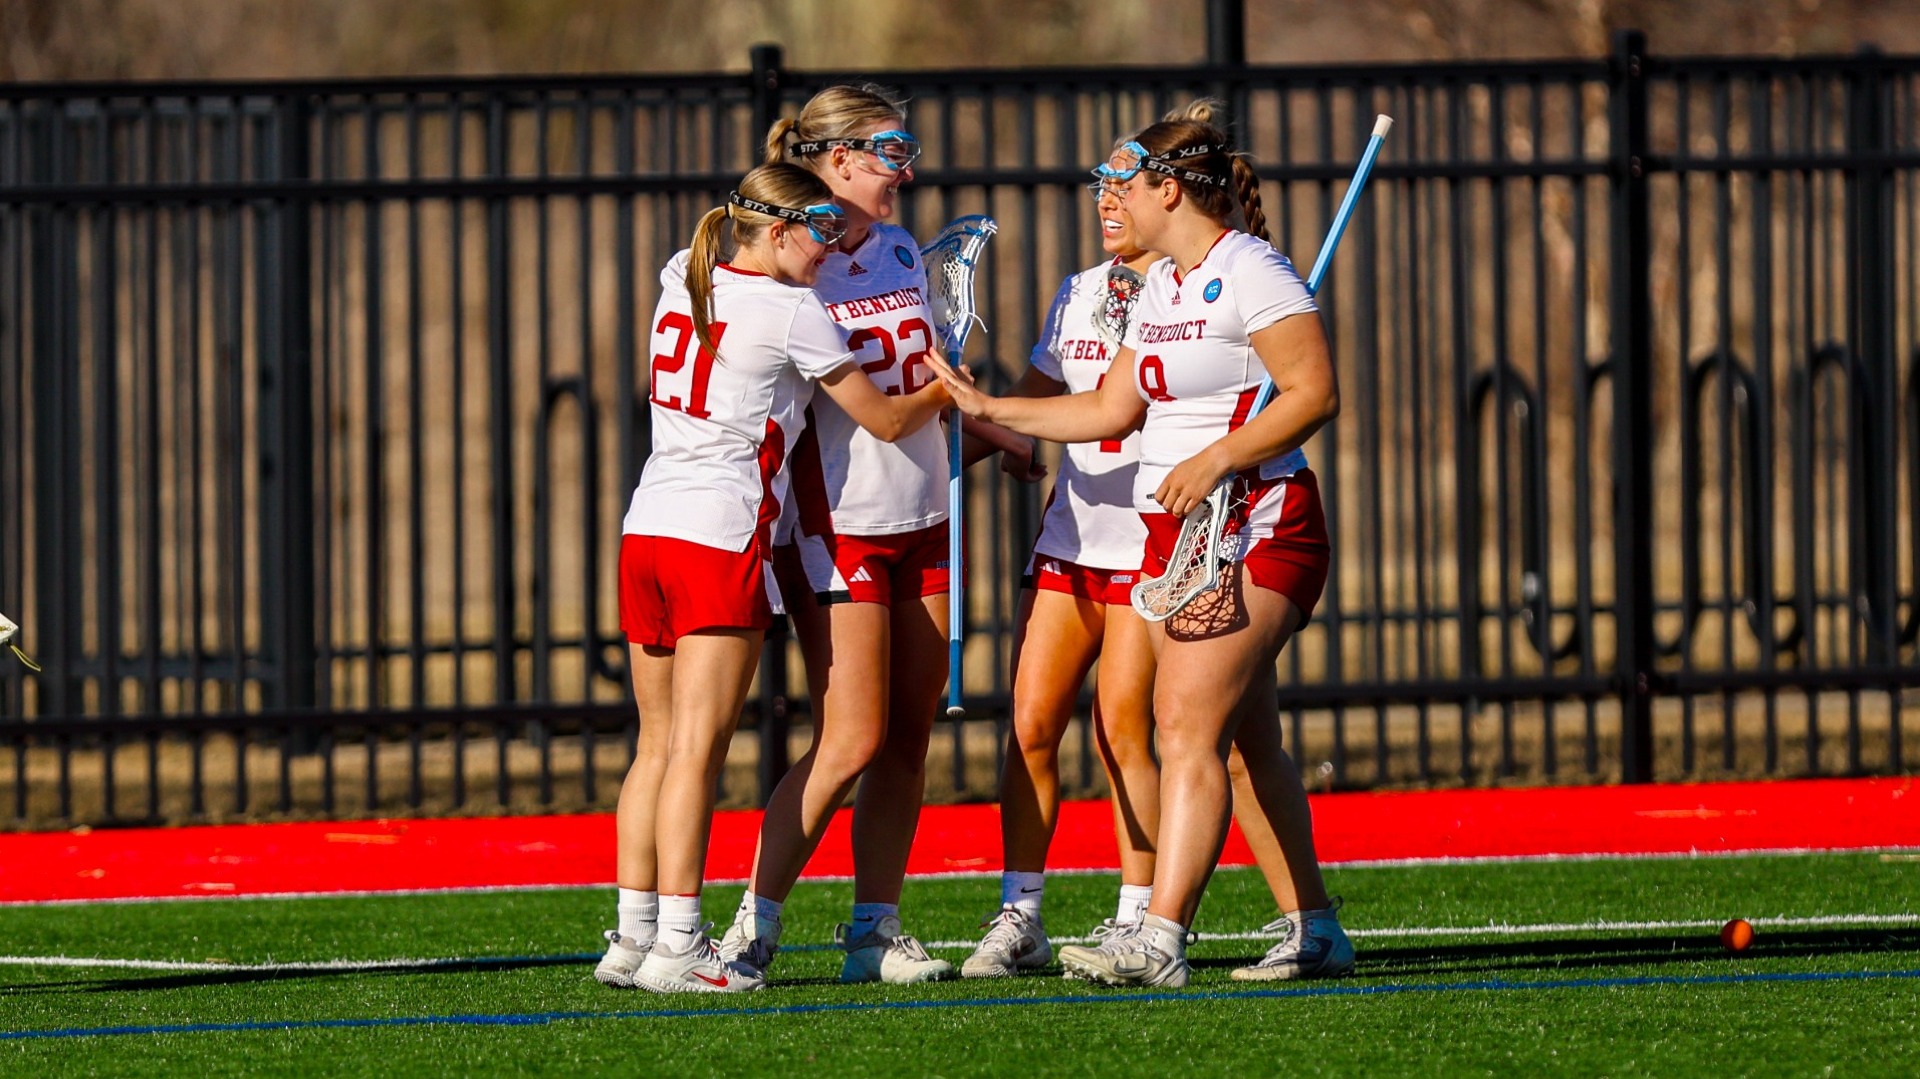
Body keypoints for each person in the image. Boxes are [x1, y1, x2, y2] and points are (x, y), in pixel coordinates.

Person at [929, 112, 1356, 988]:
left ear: (1171, 189)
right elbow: (1109, 411)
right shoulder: (1160, 286)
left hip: (1257, 522)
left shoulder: (1253, 270)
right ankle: (1315, 928)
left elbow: (1315, 392)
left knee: (1183, 724)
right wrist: (992, 410)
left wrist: (1217, 457)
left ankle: (1157, 938)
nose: (1111, 200)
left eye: (1126, 183)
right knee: (1246, 745)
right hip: (1179, 537)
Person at [593, 162, 951, 994]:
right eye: (819, 231)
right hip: (720, 537)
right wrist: (949, 380)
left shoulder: (682, 275)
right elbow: (889, 416)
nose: (830, 248)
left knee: (655, 745)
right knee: (697, 749)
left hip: (646, 529)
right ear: (779, 231)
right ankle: (681, 943)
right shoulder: (792, 309)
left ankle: (634, 933)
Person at [716, 84, 1032, 986]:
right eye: (892, 150)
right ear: (838, 157)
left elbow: (926, 387)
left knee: (906, 735)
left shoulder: (897, 246)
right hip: (837, 527)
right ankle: (754, 923)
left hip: (925, 517)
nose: (907, 168)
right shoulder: (793, 263)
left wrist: (1001, 438)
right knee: (849, 736)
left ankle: (873, 926)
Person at [958, 178, 1163, 978]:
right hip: (1069, 542)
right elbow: (1040, 400)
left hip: (1148, 548)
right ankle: (1023, 914)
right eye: (1099, 190)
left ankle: (1137, 914)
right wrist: (964, 431)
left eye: (1124, 190)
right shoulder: (1078, 291)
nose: (1107, 205)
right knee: (1031, 725)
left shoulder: (1190, 296)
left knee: (1122, 735)